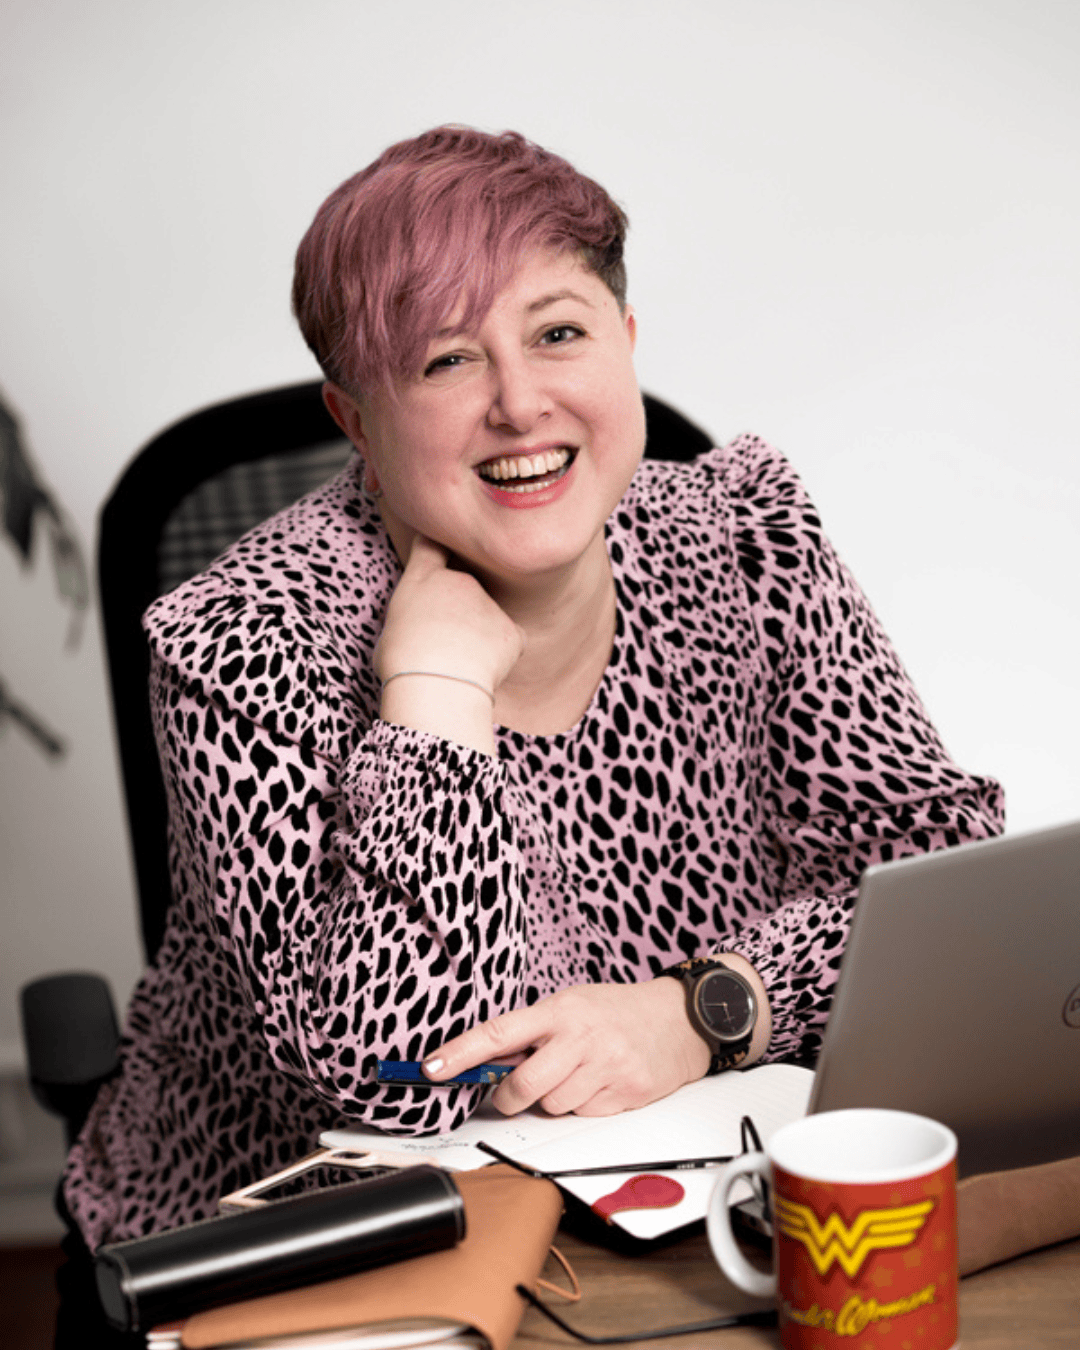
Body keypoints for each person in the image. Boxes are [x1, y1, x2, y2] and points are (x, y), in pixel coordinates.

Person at [62, 126, 1003, 1258]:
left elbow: (934, 895)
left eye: (559, 333)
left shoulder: (748, 539)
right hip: (323, 1244)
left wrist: (703, 1012)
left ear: (628, 342)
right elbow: (390, 1083)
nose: (520, 404)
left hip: (696, 1193)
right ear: (355, 420)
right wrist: (434, 698)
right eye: (446, 360)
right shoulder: (244, 642)